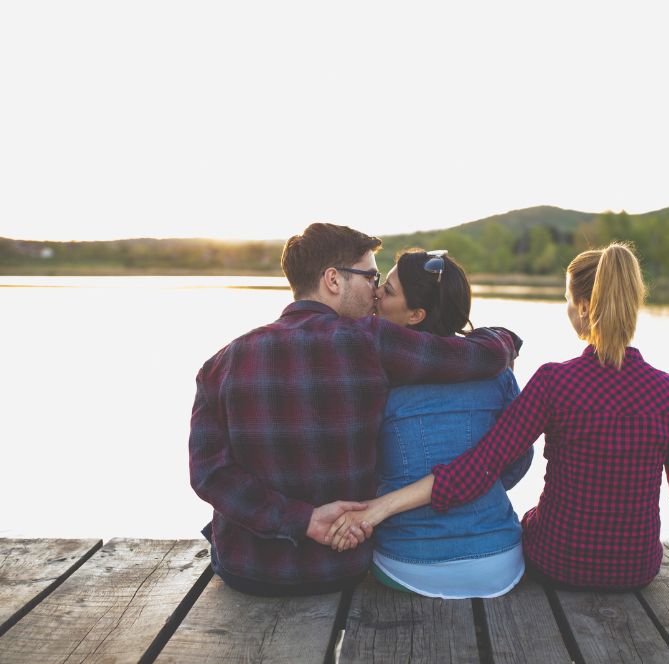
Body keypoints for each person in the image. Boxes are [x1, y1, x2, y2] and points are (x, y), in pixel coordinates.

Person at [328, 242, 669, 591]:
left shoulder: (556, 382)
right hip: (637, 570)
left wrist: (377, 509)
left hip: (558, 563)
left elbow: (478, 470)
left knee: (530, 521)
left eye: (565, 300)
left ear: (580, 308)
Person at [189, 223, 519, 596]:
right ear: (333, 279)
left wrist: (304, 520)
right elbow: (474, 357)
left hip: (247, 571)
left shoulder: (219, 364)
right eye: (370, 276)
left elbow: (207, 474)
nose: (375, 291)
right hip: (339, 567)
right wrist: (504, 339)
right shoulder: (370, 341)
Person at [370, 249, 533, 598]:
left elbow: (364, 470)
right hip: (500, 561)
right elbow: (516, 464)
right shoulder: (496, 369)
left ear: (416, 315)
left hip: (409, 561)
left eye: (389, 289)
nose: (377, 293)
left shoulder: (377, 375)